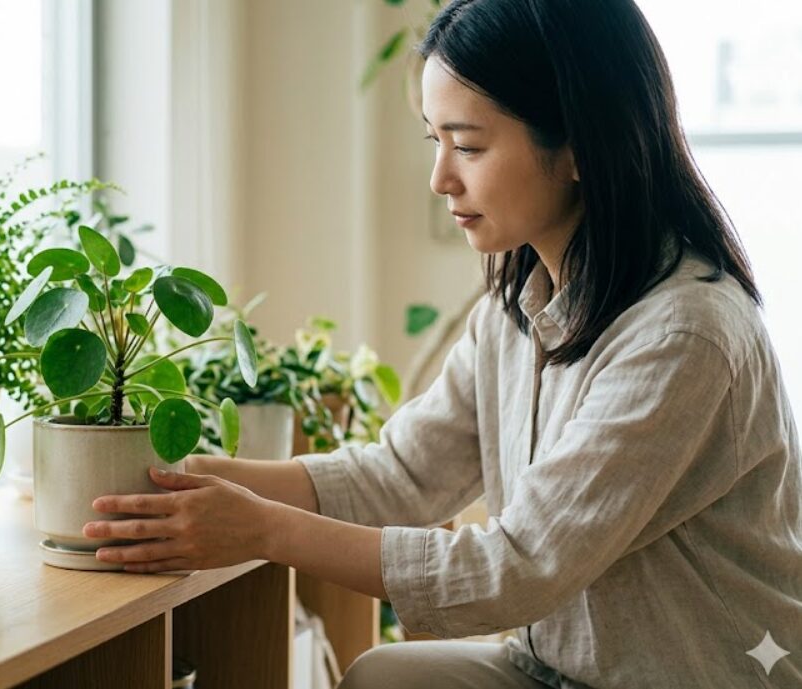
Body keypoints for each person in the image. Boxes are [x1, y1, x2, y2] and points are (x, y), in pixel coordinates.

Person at [81, 0, 802, 686]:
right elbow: (397, 476)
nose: (440, 178)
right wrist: (174, 477)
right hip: (558, 671)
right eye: (436, 141)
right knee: (383, 678)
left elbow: (515, 569)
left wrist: (263, 529)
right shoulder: (512, 313)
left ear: (580, 146)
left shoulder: (684, 335)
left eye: (469, 146)